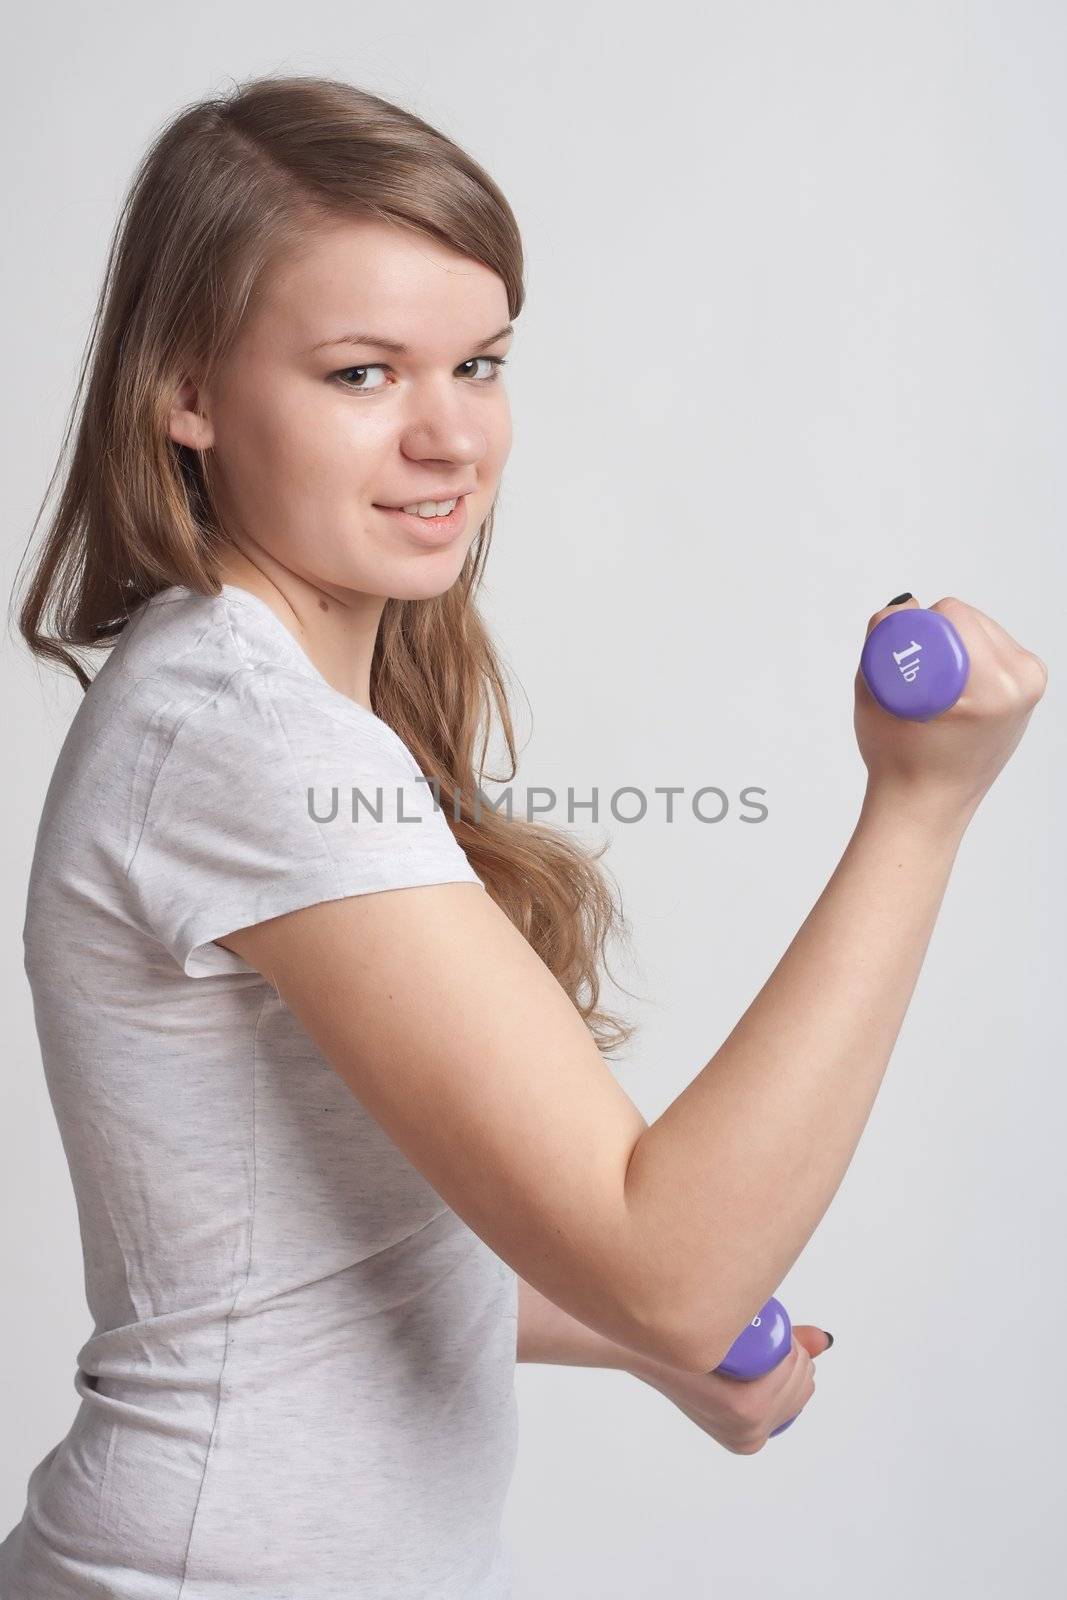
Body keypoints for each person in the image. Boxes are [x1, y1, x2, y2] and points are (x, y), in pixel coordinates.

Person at [0, 71, 1047, 1600]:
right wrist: (922, 808)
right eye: (362, 375)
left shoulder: (247, 700)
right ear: (188, 390)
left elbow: (296, 1267)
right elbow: (676, 1264)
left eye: (478, 363)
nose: (449, 440)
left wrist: (633, 1338)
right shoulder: (246, 741)